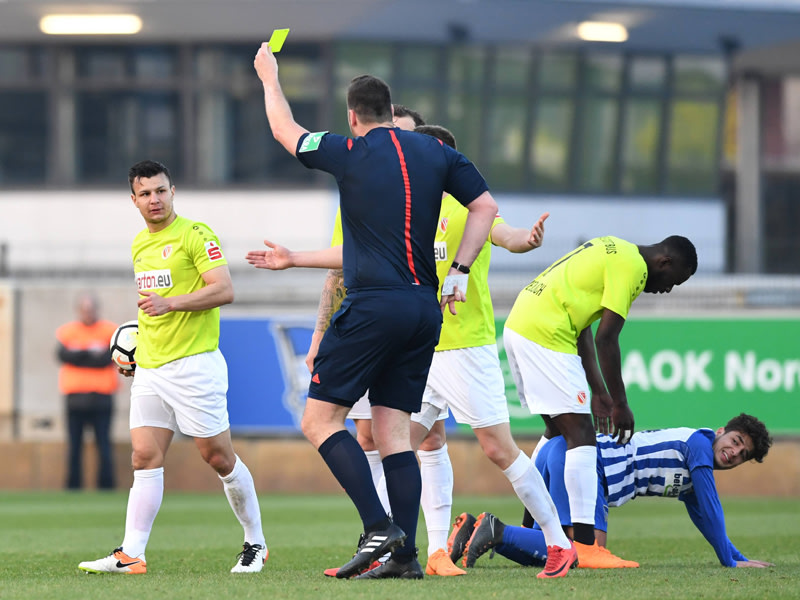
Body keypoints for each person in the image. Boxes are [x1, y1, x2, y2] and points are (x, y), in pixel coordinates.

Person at [247, 125, 577, 581]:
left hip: (464, 347)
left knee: (497, 448)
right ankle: (400, 549)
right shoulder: (400, 205)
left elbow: (505, 233)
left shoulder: (463, 206)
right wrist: (295, 259)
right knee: (392, 443)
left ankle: (559, 544)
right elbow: (350, 256)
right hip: (420, 346)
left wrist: (529, 239)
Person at [254, 41, 500, 580]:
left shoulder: (348, 150)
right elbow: (485, 207)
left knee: (318, 420)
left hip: (373, 307)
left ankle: (378, 527)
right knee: (393, 436)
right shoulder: (437, 153)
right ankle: (405, 557)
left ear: (353, 117)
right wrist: (457, 270)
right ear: (393, 113)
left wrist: (270, 77)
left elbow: (284, 130)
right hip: (423, 309)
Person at [78, 160, 267, 575]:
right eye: (145, 193)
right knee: (144, 457)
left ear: (173, 191)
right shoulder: (139, 245)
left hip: (195, 365)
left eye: (160, 191)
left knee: (218, 457)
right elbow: (151, 311)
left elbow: (224, 290)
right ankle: (131, 554)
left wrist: (173, 303)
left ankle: (256, 542)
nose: (154, 199)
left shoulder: (195, 235)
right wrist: (134, 353)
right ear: (134, 200)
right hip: (151, 368)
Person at [502, 234, 698, 567]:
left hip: (523, 322)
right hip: (544, 332)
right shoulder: (633, 267)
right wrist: (620, 403)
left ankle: (528, 527)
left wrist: (599, 392)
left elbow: (584, 331)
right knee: (583, 436)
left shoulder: (613, 246)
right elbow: (607, 338)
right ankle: (587, 546)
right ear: (664, 262)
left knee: (556, 430)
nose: (667, 289)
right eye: (672, 281)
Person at [458, 413, 775, 570]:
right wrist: (729, 564)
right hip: (590, 464)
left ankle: (480, 530)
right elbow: (712, 506)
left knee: (561, 555)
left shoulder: (694, 469)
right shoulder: (700, 446)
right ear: (721, 432)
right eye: (735, 442)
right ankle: (496, 531)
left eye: (743, 454)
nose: (735, 452)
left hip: (568, 454)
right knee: (584, 553)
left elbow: (707, 519)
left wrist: (739, 557)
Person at [55, 292, 119, 490]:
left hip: (102, 396)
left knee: (104, 444)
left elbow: (105, 358)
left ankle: (106, 486)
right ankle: (73, 485)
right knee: (74, 446)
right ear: (79, 311)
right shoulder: (67, 332)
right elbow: (64, 355)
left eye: (91, 309)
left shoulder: (109, 330)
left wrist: (80, 354)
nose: (88, 313)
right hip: (75, 397)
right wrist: (90, 353)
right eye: (84, 309)